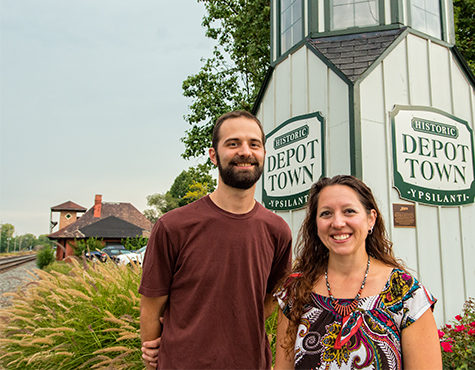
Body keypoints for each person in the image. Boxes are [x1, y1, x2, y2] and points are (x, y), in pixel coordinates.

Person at [139, 110, 293, 370]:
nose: (245, 151)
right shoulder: (173, 226)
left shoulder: (277, 230)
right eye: (233, 143)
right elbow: (151, 308)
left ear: (264, 154)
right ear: (213, 155)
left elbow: (270, 300)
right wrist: (154, 352)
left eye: (254, 144)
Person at [273, 175, 442, 369]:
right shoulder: (295, 292)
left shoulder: (405, 294)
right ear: (315, 225)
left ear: (371, 219)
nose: (337, 223)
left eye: (349, 211)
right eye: (326, 213)